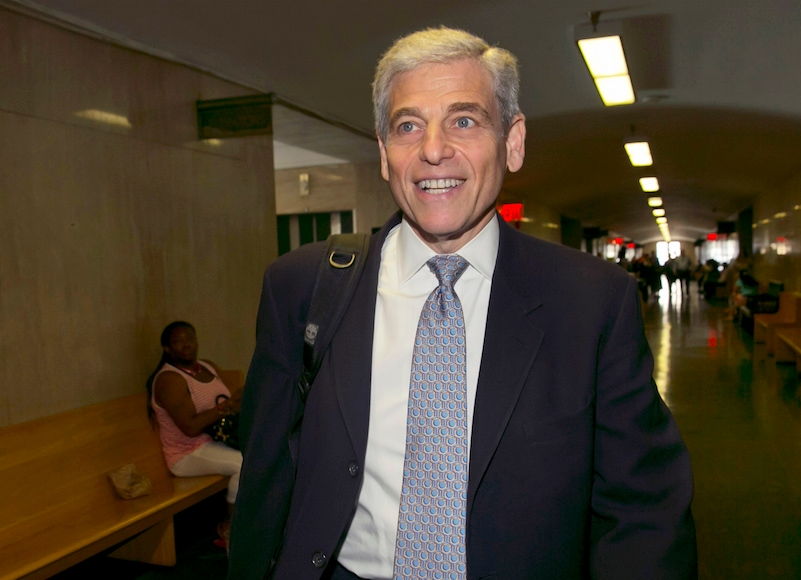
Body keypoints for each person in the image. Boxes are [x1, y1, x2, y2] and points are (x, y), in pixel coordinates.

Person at [229, 27, 696, 579]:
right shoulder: (303, 287)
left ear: (513, 141)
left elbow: (643, 512)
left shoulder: (591, 301)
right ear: (384, 155)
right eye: (408, 126)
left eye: (464, 120)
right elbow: (265, 479)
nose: (433, 149)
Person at [146, 320, 242, 548]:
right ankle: (230, 528)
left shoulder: (207, 366)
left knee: (265, 453)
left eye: (190, 338)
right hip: (187, 453)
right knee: (244, 464)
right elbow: (190, 427)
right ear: (167, 349)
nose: (186, 345)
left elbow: (231, 401)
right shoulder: (169, 380)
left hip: (216, 441)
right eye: (178, 341)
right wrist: (227, 407)